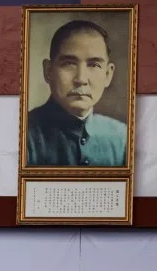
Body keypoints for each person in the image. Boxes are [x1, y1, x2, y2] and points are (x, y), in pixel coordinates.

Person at [26, 20, 126, 167]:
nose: (81, 79)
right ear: (48, 71)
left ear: (108, 75)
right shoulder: (24, 133)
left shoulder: (122, 137)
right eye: (69, 64)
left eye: (94, 65)